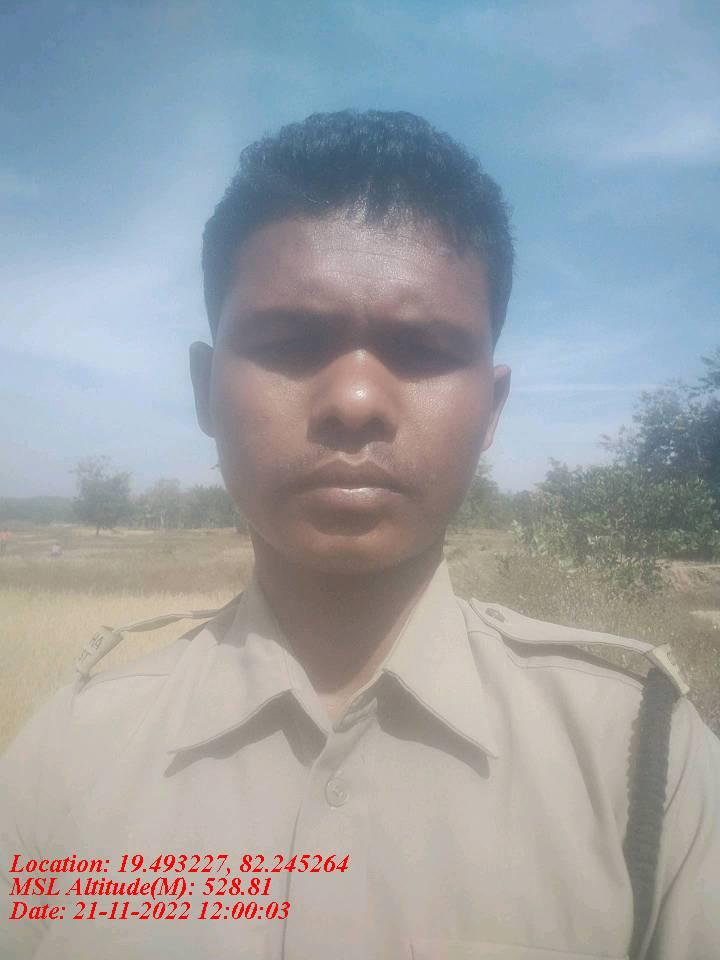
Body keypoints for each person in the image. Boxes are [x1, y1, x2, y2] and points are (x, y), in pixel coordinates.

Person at [1, 110, 718, 960]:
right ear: (205, 390)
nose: (354, 402)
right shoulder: (71, 751)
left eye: (423, 349)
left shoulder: (644, 760)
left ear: (490, 411)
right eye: (290, 341)